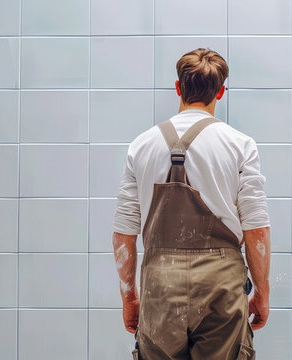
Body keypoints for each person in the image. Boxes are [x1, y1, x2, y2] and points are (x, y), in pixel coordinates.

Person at [111, 48, 272, 360]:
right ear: (220, 92)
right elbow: (256, 230)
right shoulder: (240, 145)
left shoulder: (141, 146)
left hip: (160, 287)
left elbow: (123, 234)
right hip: (221, 289)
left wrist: (129, 298)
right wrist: (262, 292)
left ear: (178, 88)